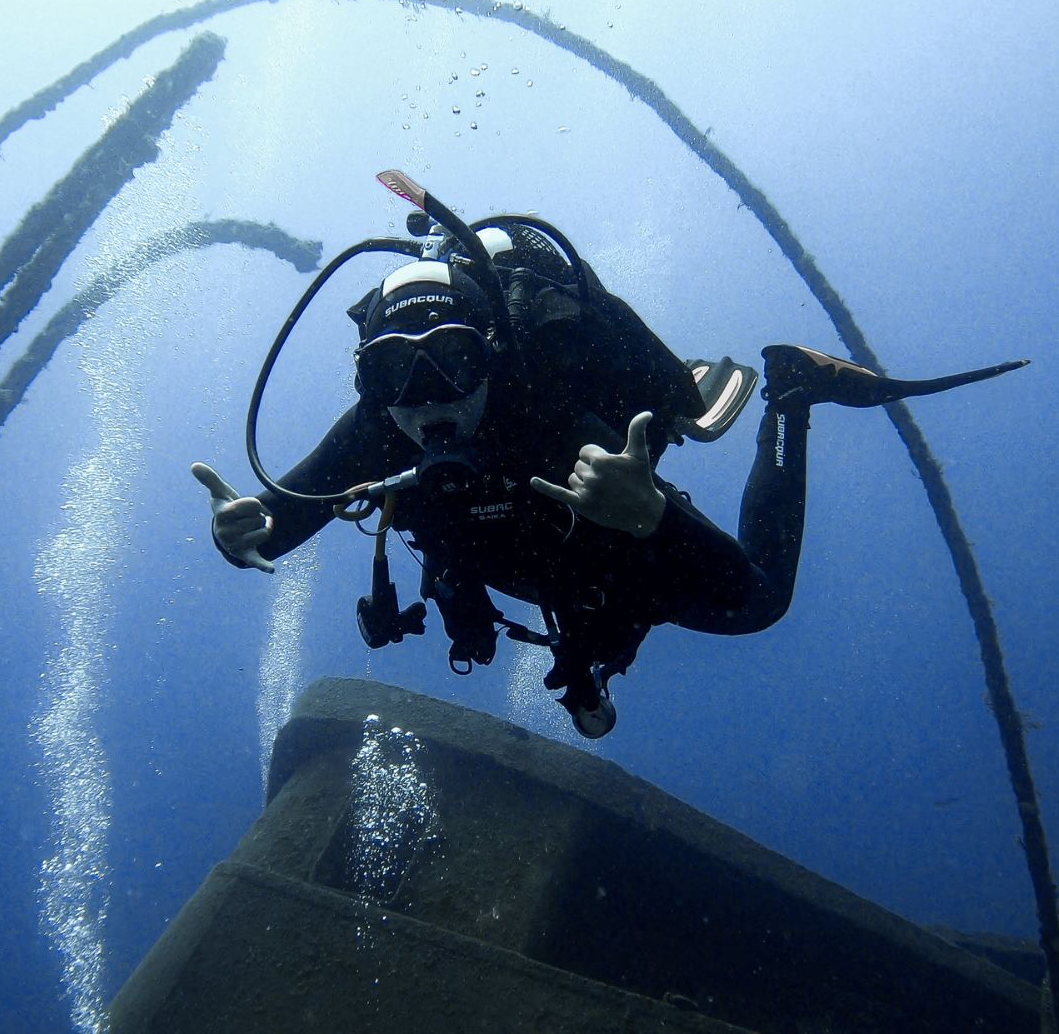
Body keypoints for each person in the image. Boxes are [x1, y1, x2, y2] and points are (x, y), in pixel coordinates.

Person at [193, 176, 1026, 737]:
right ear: (369, 382)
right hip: (539, 572)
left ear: (489, 350)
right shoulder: (384, 423)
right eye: (393, 375)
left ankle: (792, 395)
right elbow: (276, 522)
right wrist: (244, 535)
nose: (430, 397)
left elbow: (734, 587)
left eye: (453, 360)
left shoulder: (552, 408)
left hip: (616, 552)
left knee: (760, 604)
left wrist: (653, 516)